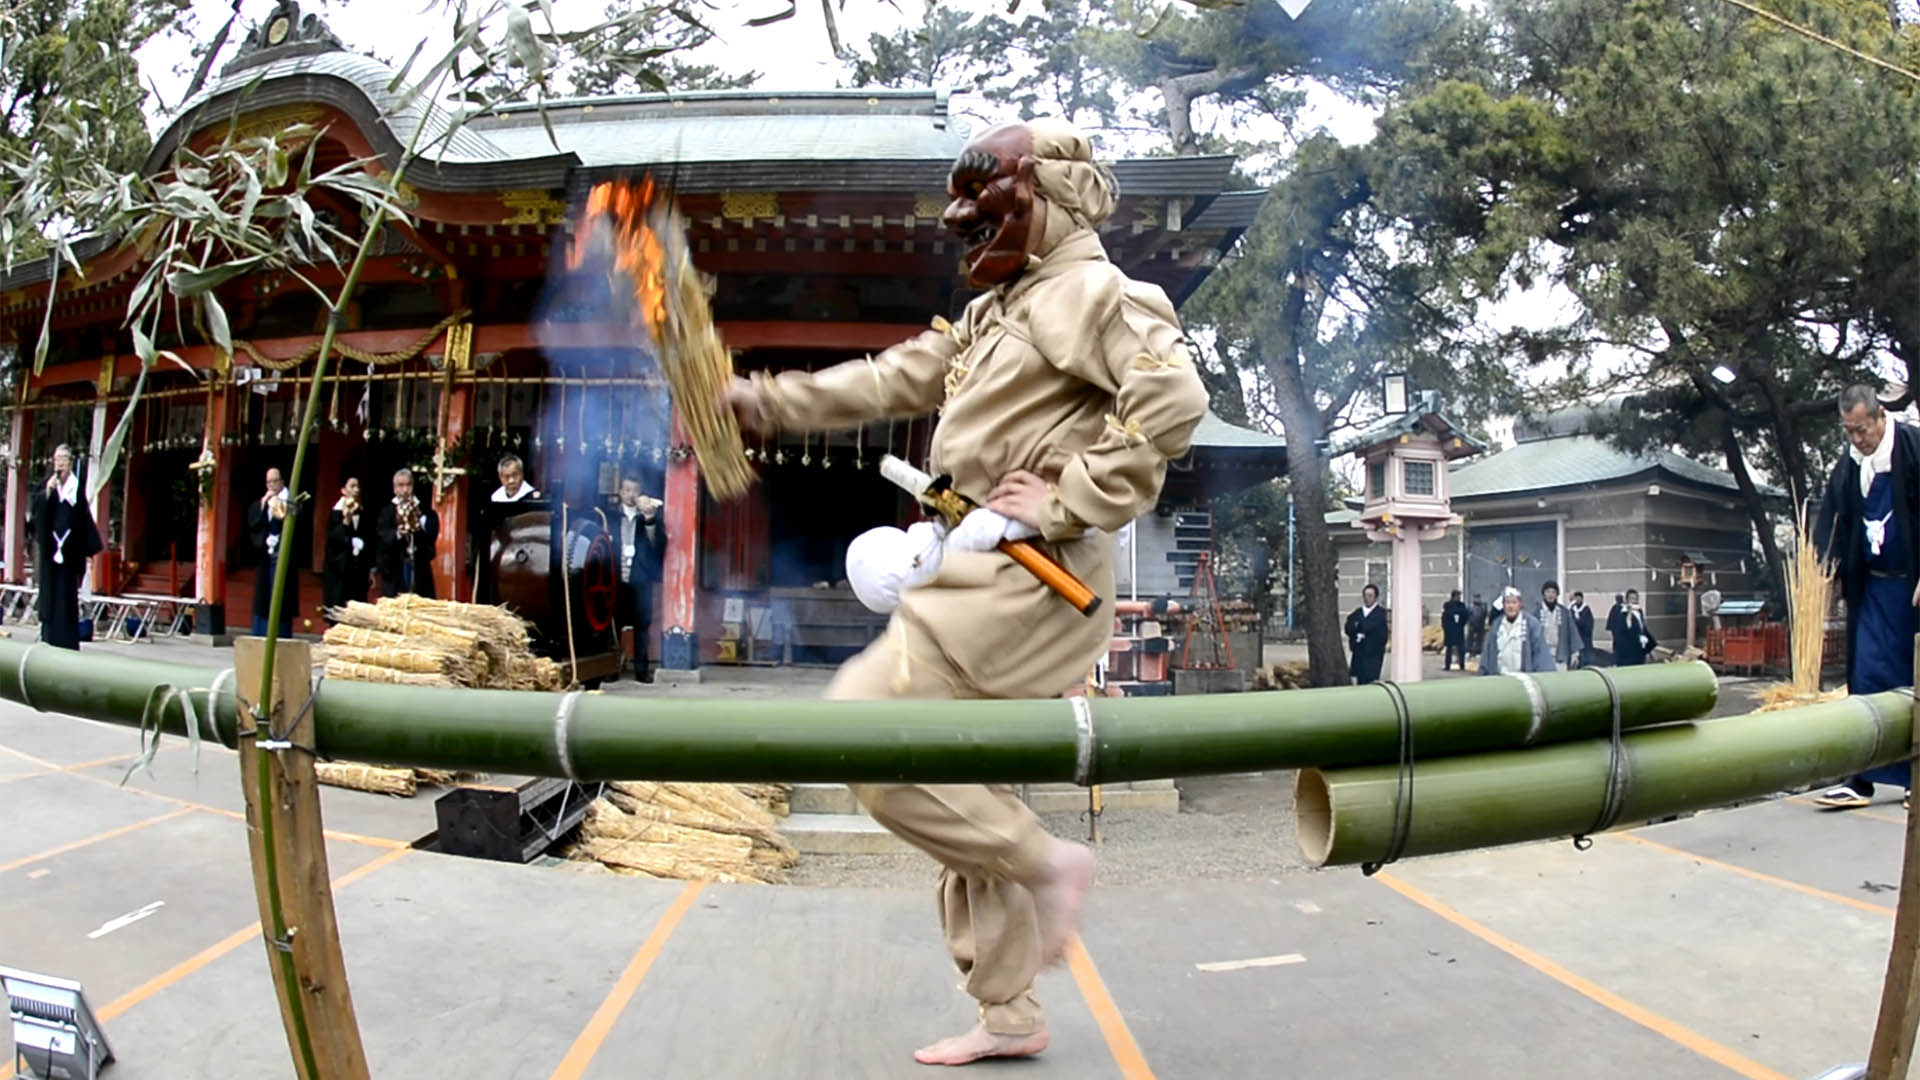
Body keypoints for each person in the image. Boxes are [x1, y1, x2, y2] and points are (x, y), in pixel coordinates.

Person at [720, 119, 1208, 1066]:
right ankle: (1010, 1013)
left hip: (1036, 575)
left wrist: (1070, 494)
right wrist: (767, 401)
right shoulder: (1000, 311)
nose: (959, 220)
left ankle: (1049, 861)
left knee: (867, 726)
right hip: (980, 558)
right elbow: (896, 376)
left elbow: (1172, 399)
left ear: (1052, 198)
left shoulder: (1093, 291)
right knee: (965, 783)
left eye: (984, 204)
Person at [1811, 384, 1917, 810]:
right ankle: (1862, 779)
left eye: (1863, 429)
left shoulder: (1911, 447)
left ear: (1880, 417)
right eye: (1850, 431)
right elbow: (1834, 517)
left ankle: (1915, 776)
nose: (1858, 439)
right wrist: (1825, 568)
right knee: (1866, 674)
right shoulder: (1851, 462)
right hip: (1872, 586)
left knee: (1911, 681)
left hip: (1912, 587)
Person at [30, 444, 102, 649]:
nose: (59, 463)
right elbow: (37, 514)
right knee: (50, 594)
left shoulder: (75, 489)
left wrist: (88, 551)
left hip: (70, 553)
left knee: (66, 595)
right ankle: (48, 635)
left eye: (63, 459)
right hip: (51, 551)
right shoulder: (47, 486)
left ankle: (67, 639)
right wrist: (48, 493)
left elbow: (83, 520)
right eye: (56, 459)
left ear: (70, 463)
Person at [616, 475, 666, 683]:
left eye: (635, 491)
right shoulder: (610, 514)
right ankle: (611, 667)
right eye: (627, 490)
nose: (631, 495)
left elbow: (658, 544)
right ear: (620, 492)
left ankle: (641, 670)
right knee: (613, 623)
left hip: (640, 576)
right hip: (615, 575)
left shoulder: (648, 515)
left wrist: (650, 521)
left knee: (642, 625)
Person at [247, 467, 295, 637]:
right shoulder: (264, 501)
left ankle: (280, 633)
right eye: (269, 482)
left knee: (280, 596)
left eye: (275, 481)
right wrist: (263, 504)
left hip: (283, 555)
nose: (272, 485)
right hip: (266, 554)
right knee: (263, 594)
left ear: (282, 482)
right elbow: (254, 525)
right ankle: (261, 633)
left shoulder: (290, 500)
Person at [377, 468, 439, 598]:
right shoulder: (387, 511)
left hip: (419, 568)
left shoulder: (424, 510)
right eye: (401, 485)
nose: (405, 489)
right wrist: (398, 533)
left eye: (408, 485)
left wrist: (418, 525)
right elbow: (382, 537)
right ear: (395, 489)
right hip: (395, 570)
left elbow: (432, 535)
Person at [1479, 585, 1556, 675]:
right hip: (1500, 677)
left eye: (1514, 602)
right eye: (1507, 603)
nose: (1510, 606)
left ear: (1520, 604)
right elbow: (1488, 654)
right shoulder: (1497, 625)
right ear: (1503, 605)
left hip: (1523, 678)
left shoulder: (1531, 624)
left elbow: (1541, 654)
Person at [324, 477, 372, 615]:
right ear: (343, 490)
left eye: (358, 486)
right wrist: (346, 521)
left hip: (358, 570)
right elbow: (332, 541)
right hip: (340, 570)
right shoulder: (336, 513)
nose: (356, 490)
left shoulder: (362, 512)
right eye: (352, 486)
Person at [1345, 583, 1388, 684]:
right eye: (1365, 595)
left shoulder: (1380, 614)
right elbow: (1349, 627)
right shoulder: (1358, 612)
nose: (1367, 598)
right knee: (1359, 681)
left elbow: (1380, 635)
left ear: (1375, 597)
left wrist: (1362, 629)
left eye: (1370, 596)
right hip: (1359, 655)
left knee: (1370, 682)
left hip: (1373, 657)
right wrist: (1358, 629)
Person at [1607, 588, 1655, 666]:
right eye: (1631, 599)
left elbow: (1642, 626)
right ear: (1626, 600)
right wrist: (1629, 613)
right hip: (1627, 648)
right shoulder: (1621, 611)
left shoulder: (1639, 611)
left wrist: (1649, 643)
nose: (1634, 601)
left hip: (1638, 647)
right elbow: (1624, 628)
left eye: (1635, 599)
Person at [1537, 579, 1577, 670]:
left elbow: (1572, 632)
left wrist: (1575, 653)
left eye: (1553, 592)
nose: (1550, 595)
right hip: (1542, 654)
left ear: (1557, 594)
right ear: (1544, 594)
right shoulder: (1535, 613)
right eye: (1548, 592)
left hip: (1560, 653)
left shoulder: (1564, 613)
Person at [1440, 589, 1468, 671]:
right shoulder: (1448, 605)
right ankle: (1447, 665)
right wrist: (1445, 627)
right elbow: (1444, 617)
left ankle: (1462, 665)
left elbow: (1465, 615)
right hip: (1450, 629)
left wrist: (1462, 624)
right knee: (1449, 648)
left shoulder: (1461, 605)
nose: (1459, 598)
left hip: (1459, 629)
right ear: (1453, 596)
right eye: (1457, 596)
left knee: (1461, 648)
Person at [1569, 590, 1596, 669]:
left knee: (1586, 655)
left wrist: (1579, 622)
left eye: (1579, 598)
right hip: (1576, 637)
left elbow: (1589, 623)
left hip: (1585, 637)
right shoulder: (1572, 608)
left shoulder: (1586, 609)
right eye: (1576, 598)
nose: (1577, 599)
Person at [1466, 592, 1488, 659]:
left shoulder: (1483, 607)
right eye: (1475, 598)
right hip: (1472, 625)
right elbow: (1468, 615)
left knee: (1479, 639)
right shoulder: (1470, 606)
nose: (1476, 599)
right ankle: (1469, 652)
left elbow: (1484, 615)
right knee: (1470, 639)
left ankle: (1478, 652)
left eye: (1478, 598)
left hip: (1480, 625)